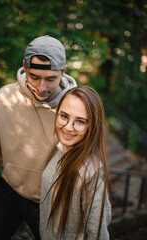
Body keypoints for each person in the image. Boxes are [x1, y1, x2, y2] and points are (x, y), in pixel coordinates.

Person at [0, 35, 77, 240]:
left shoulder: (76, 107)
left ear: (63, 71)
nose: (41, 87)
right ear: (24, 68)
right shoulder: (4, 98)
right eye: (34, 76)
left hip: (51, 201)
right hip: (9, 190)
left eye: (51, 79)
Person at [40, 85, 111, 240]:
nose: (68, 127)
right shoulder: (60, 149)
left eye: (79, 121)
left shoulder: (90, 172)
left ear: (92, 126)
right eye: (64, 116)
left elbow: (98, 233)